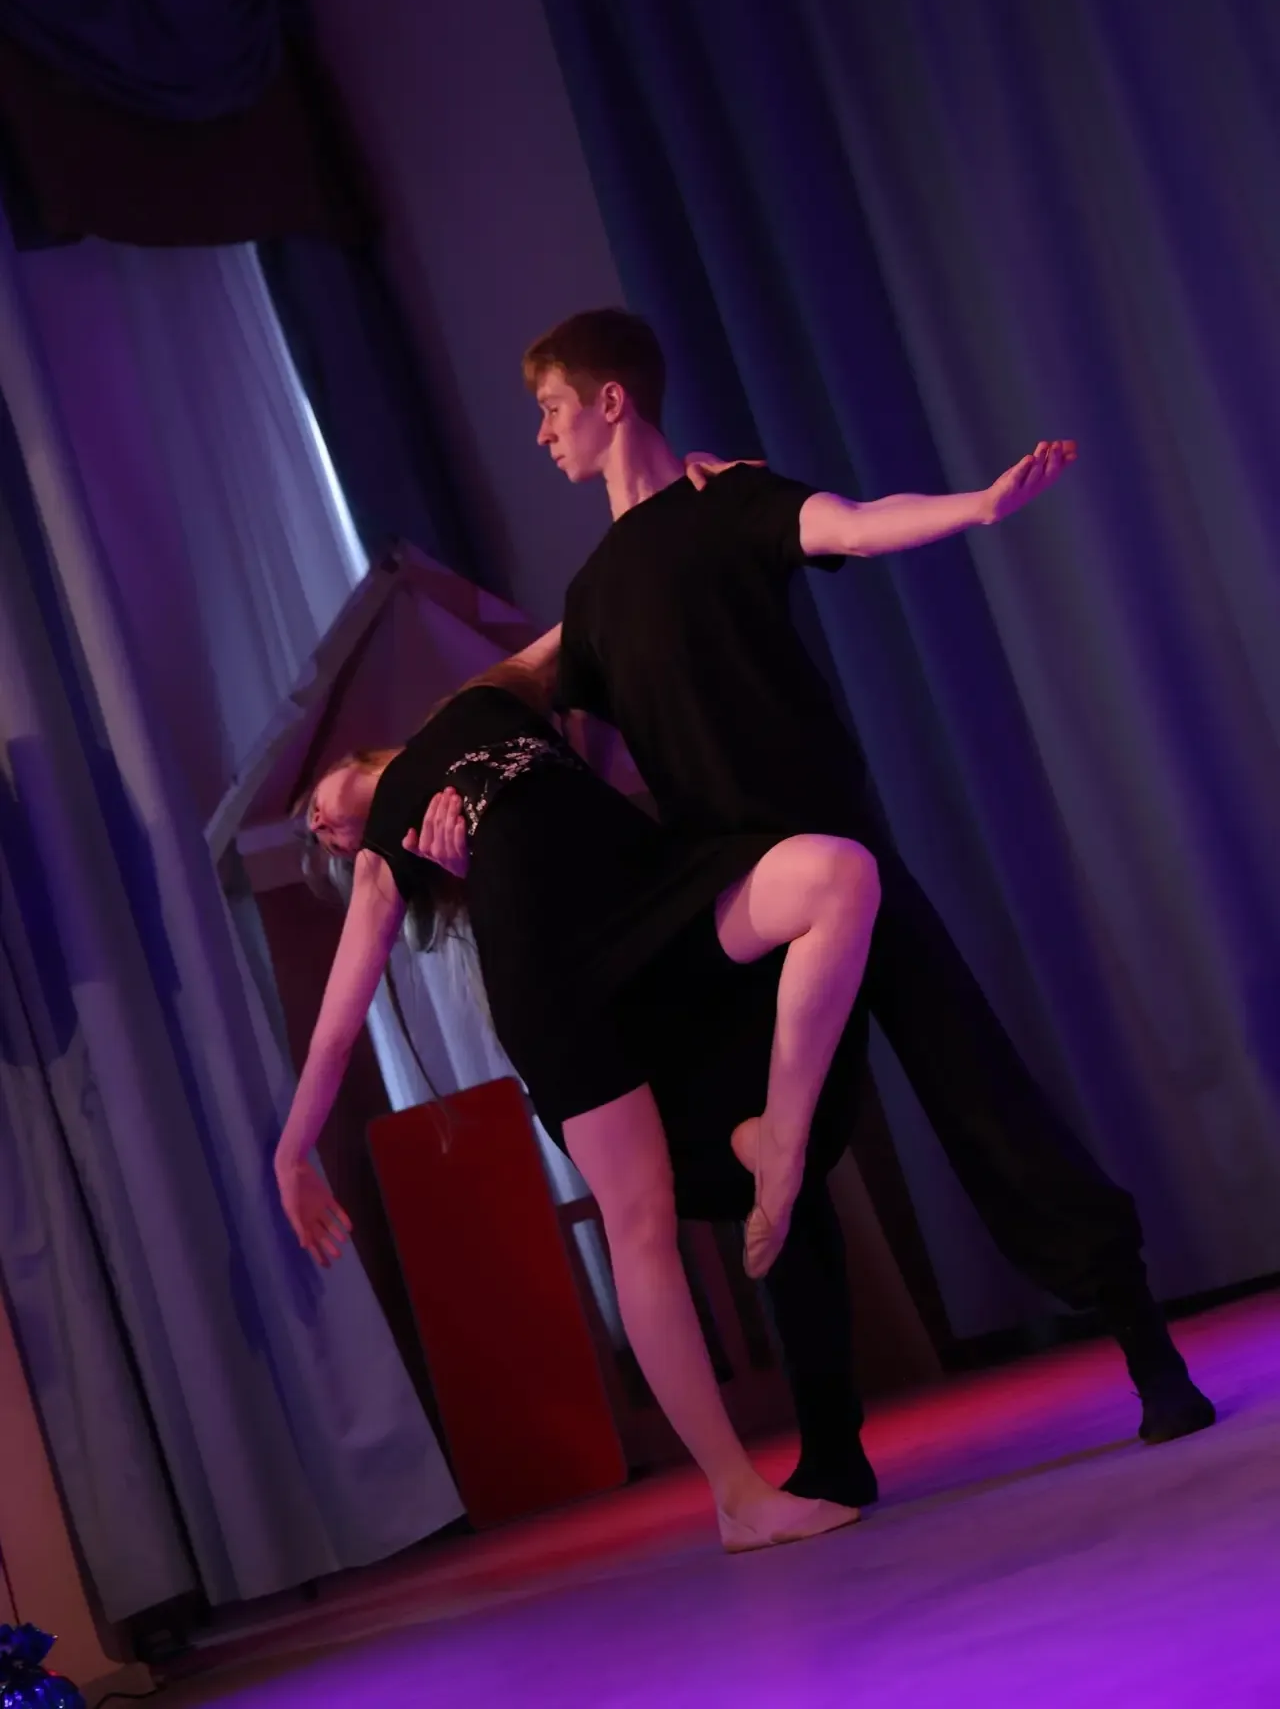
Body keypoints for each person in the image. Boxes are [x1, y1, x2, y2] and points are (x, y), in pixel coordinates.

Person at [519, 306, 1215, 1508]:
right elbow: (549, 715)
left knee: (979, 1096)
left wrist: (976, 507)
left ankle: (1148, 1353)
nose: (541, 435)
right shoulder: (589, 598)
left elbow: (849, 521)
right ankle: (832, 1449)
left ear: (610, 401)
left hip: (845, 859)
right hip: (741, 902)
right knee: (770, 1164)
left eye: (550, 409)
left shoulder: (730, 503)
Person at [273, 659, 879, 1552]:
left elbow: (574, 632)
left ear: (350, 758)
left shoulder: (475, 702)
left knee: (840, 873)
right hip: (554, 985)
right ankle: (737, 1495)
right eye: (317, 842)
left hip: (650, 900)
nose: (321, 827)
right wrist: (291, 1152)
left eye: (313, 812)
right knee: (641, 1222)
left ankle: (780, 1143)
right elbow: (335, 1027)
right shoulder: (387, 854)